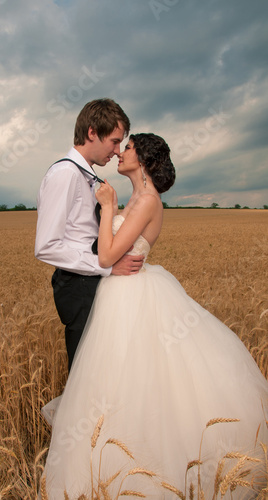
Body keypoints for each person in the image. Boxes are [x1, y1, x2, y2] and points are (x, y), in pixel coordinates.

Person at [39, 134, 268, 499]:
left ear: (142, 159)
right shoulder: (139, 199)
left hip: (131, 296)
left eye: (126, 147)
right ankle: (106, 468)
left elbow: (106, 256)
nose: (119, 152)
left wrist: (108, 208)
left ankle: (142, 474)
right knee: (116, 382)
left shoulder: (146, 201)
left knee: (136, 383)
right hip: (121, 293)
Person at [35, 99, 144, 371]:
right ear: (92, 132)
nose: (117, 151)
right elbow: (46, 246)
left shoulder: (87, 175)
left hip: (91, 280)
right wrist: (105, 267)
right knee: (86, 373)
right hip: (78, 285)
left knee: (102, 370)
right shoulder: (65, 174)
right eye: (115, 141)